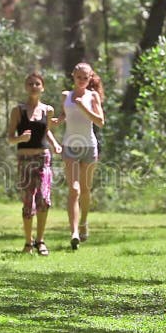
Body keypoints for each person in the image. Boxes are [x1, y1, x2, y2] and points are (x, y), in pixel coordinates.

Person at [6, 72, 62, 255]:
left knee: (44, 199)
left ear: (42, 87)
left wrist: (55, 144)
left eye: (37, 83)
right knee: (28, 201)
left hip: (42, 158)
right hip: (24, 159)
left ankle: (41, 241)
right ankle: (28, 243)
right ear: (25, 87)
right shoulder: (18, 111)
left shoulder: (48, 110)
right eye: (30, 83)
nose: (33, 86)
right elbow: (10, 138)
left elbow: (46, 132)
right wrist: (20, 138)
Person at [53, 63, 105, 250]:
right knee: (73, 190)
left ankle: (83, 222)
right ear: (73, 76)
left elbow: (100, 121)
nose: (82, 81)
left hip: (89, 148)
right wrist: (58, 120)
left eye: (86, 78)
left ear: (90, 78)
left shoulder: (93, 96)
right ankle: (74, 232)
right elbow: (65, 115)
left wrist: (84, 108)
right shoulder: (66, 96)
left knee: (85, 190)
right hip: (70, 147)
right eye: (79, 77)